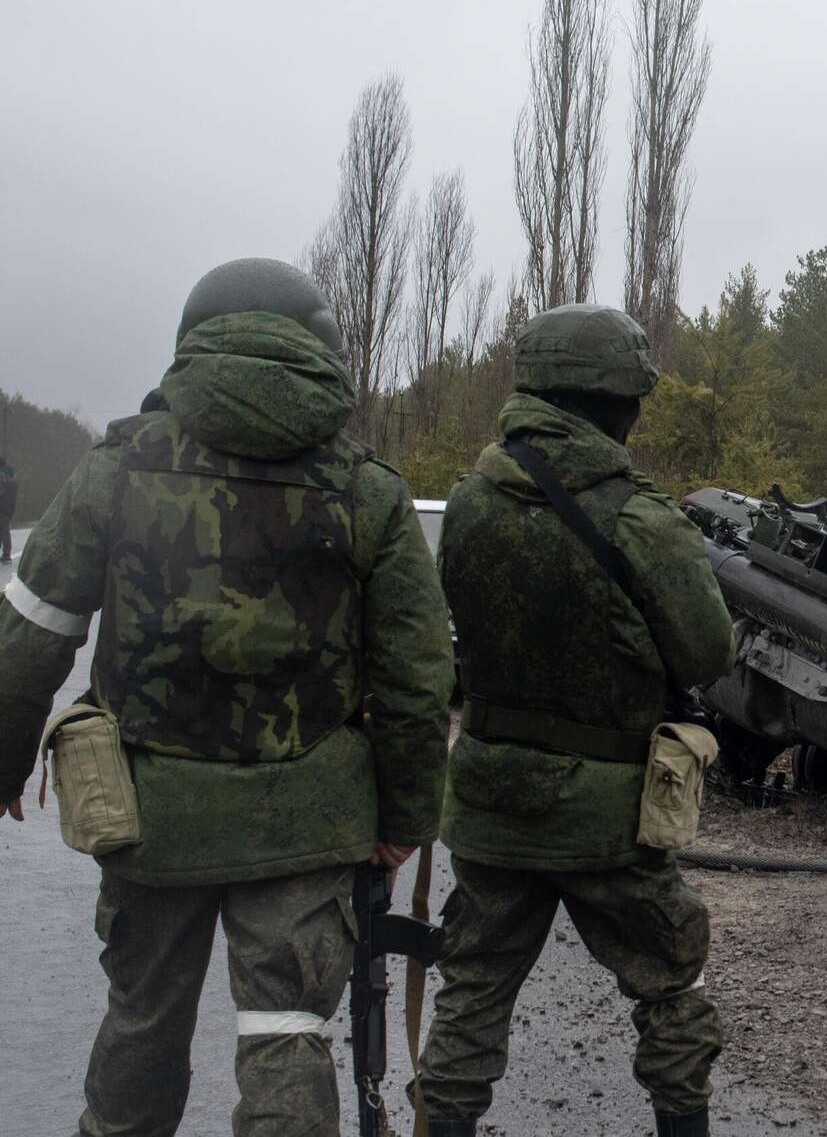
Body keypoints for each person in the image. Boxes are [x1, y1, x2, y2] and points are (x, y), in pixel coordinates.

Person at [0, 258, 454, 1135]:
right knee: (287, 1032)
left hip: (148, 815)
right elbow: (416, 675)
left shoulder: (117, 468)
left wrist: (4, 759)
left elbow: (34, 631)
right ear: (318, 351)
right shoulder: (369, 492)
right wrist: (405, 818)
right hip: (306, 826)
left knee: (141, 1023)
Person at [415, 304, 736, 1137]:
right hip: (610, 820)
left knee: (469, 1002)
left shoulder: (468, 504)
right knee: (672, 987)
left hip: (489, 805)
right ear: (617, 399)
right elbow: (706, 653)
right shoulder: (641, 517)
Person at [0, 453, 17, 562]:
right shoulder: (12, 474)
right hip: (10, 507)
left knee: (3, 531)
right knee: (4, 530)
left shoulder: (1, 475)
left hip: (1, 506)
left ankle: (6, 556)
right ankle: (6, 555)